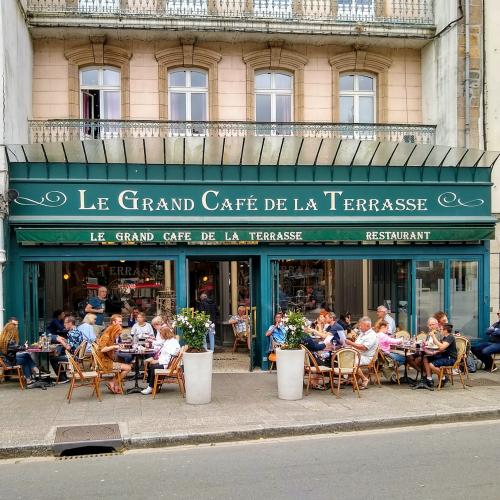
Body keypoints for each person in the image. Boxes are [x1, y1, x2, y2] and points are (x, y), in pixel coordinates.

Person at [96, 314, 131, 394]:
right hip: (104, 362)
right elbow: (102, 349)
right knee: (128, 368)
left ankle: (115, 384)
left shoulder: (109, 333)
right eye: (118, 334)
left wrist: (116, 346)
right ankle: (113, 382)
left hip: (106, 359)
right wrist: (115, 347)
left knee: (122, 362)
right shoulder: (106, 336)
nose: (117, 336)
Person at [141, 325, 181, 395]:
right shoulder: (170, 340)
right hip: (168, 363)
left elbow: (168, 358)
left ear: (165, 334)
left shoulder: (170, 343)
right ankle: (154, 386)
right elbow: (161, 347)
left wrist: (156, 361)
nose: (160, 335)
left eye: (161, 334)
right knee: (151, 365)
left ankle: (151, 387)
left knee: (153, 366)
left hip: (169, 365)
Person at [0, 318, 39, 385]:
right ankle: (30, 378)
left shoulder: (3, 339)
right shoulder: (10, 341)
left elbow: (16, 348)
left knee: (26, 355)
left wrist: (23, 347)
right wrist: (25, 347)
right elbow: (18, 348)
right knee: (24, 360)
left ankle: (35, 370)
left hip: (6, 359)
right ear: (12, 332)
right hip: (9, 362)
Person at [345, 316, 378, 390]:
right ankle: (349, 378)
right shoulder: (363, 333)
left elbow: (364, 347)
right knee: (341, 358)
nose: (359, 327)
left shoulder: (372, 335)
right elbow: (357, 344)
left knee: (351, 361)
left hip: (366, 357)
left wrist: (351, 343)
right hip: (358, 354)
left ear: (368, 326)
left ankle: (364, 379)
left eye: (361, 325)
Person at [421, 323, 458, 389]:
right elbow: (442, 349)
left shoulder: (450, 337)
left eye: (441, 329)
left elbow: (442, 347)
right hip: (444, 356)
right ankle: (429, 378)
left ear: (445, 330)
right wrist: (436, 352)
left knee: (431, 365)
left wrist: (433, 337)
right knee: (426, 357)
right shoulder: (445, 337)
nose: (440, 330)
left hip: (450, 358)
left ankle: (443, 377)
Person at [48, 315, 82, 384]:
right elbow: (73, 343)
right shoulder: (77, 331)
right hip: (76, 355)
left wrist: (60, 341)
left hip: (73, 357)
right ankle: (63, 377)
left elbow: (68, 347)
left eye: (65, 323)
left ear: (70, 323)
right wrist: (64, 339)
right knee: (57, 355)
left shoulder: (72, 333)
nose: (64, 325)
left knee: (52, 359)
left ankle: (62, 378)